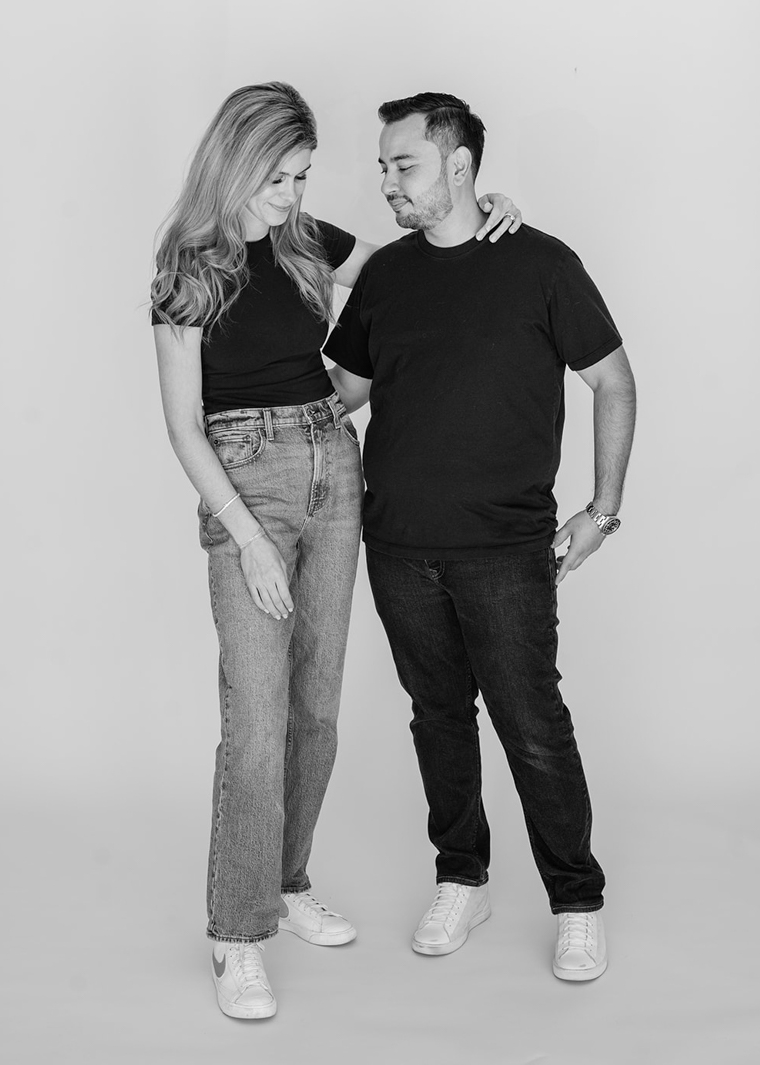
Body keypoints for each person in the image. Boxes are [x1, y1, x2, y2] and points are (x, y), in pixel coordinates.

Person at [150, 81, 522, 1019]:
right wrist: (247, 536)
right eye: (278, 177)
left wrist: (494, 215)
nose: (293, 195)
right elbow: (184, 428)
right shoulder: (187, 266)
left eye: (303, 177)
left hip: (334, 464)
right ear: (235, 163)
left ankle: (287, 880)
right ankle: (237, 935)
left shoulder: (304, 241)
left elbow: (415, 264)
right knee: (256, 716)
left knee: (316, 708)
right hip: (247, 482)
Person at [325, 91, 636, 983]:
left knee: (532, 725)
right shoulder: (387, 276)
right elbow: (342, 394)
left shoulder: (540, 263)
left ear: (459, 168)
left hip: (506, 551)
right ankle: (462, 877)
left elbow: (615, 384)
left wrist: (601, 512)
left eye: (403, 164)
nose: (385, 181)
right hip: (397, 544)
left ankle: (576, 901)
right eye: (382, 165)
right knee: (437, 720)